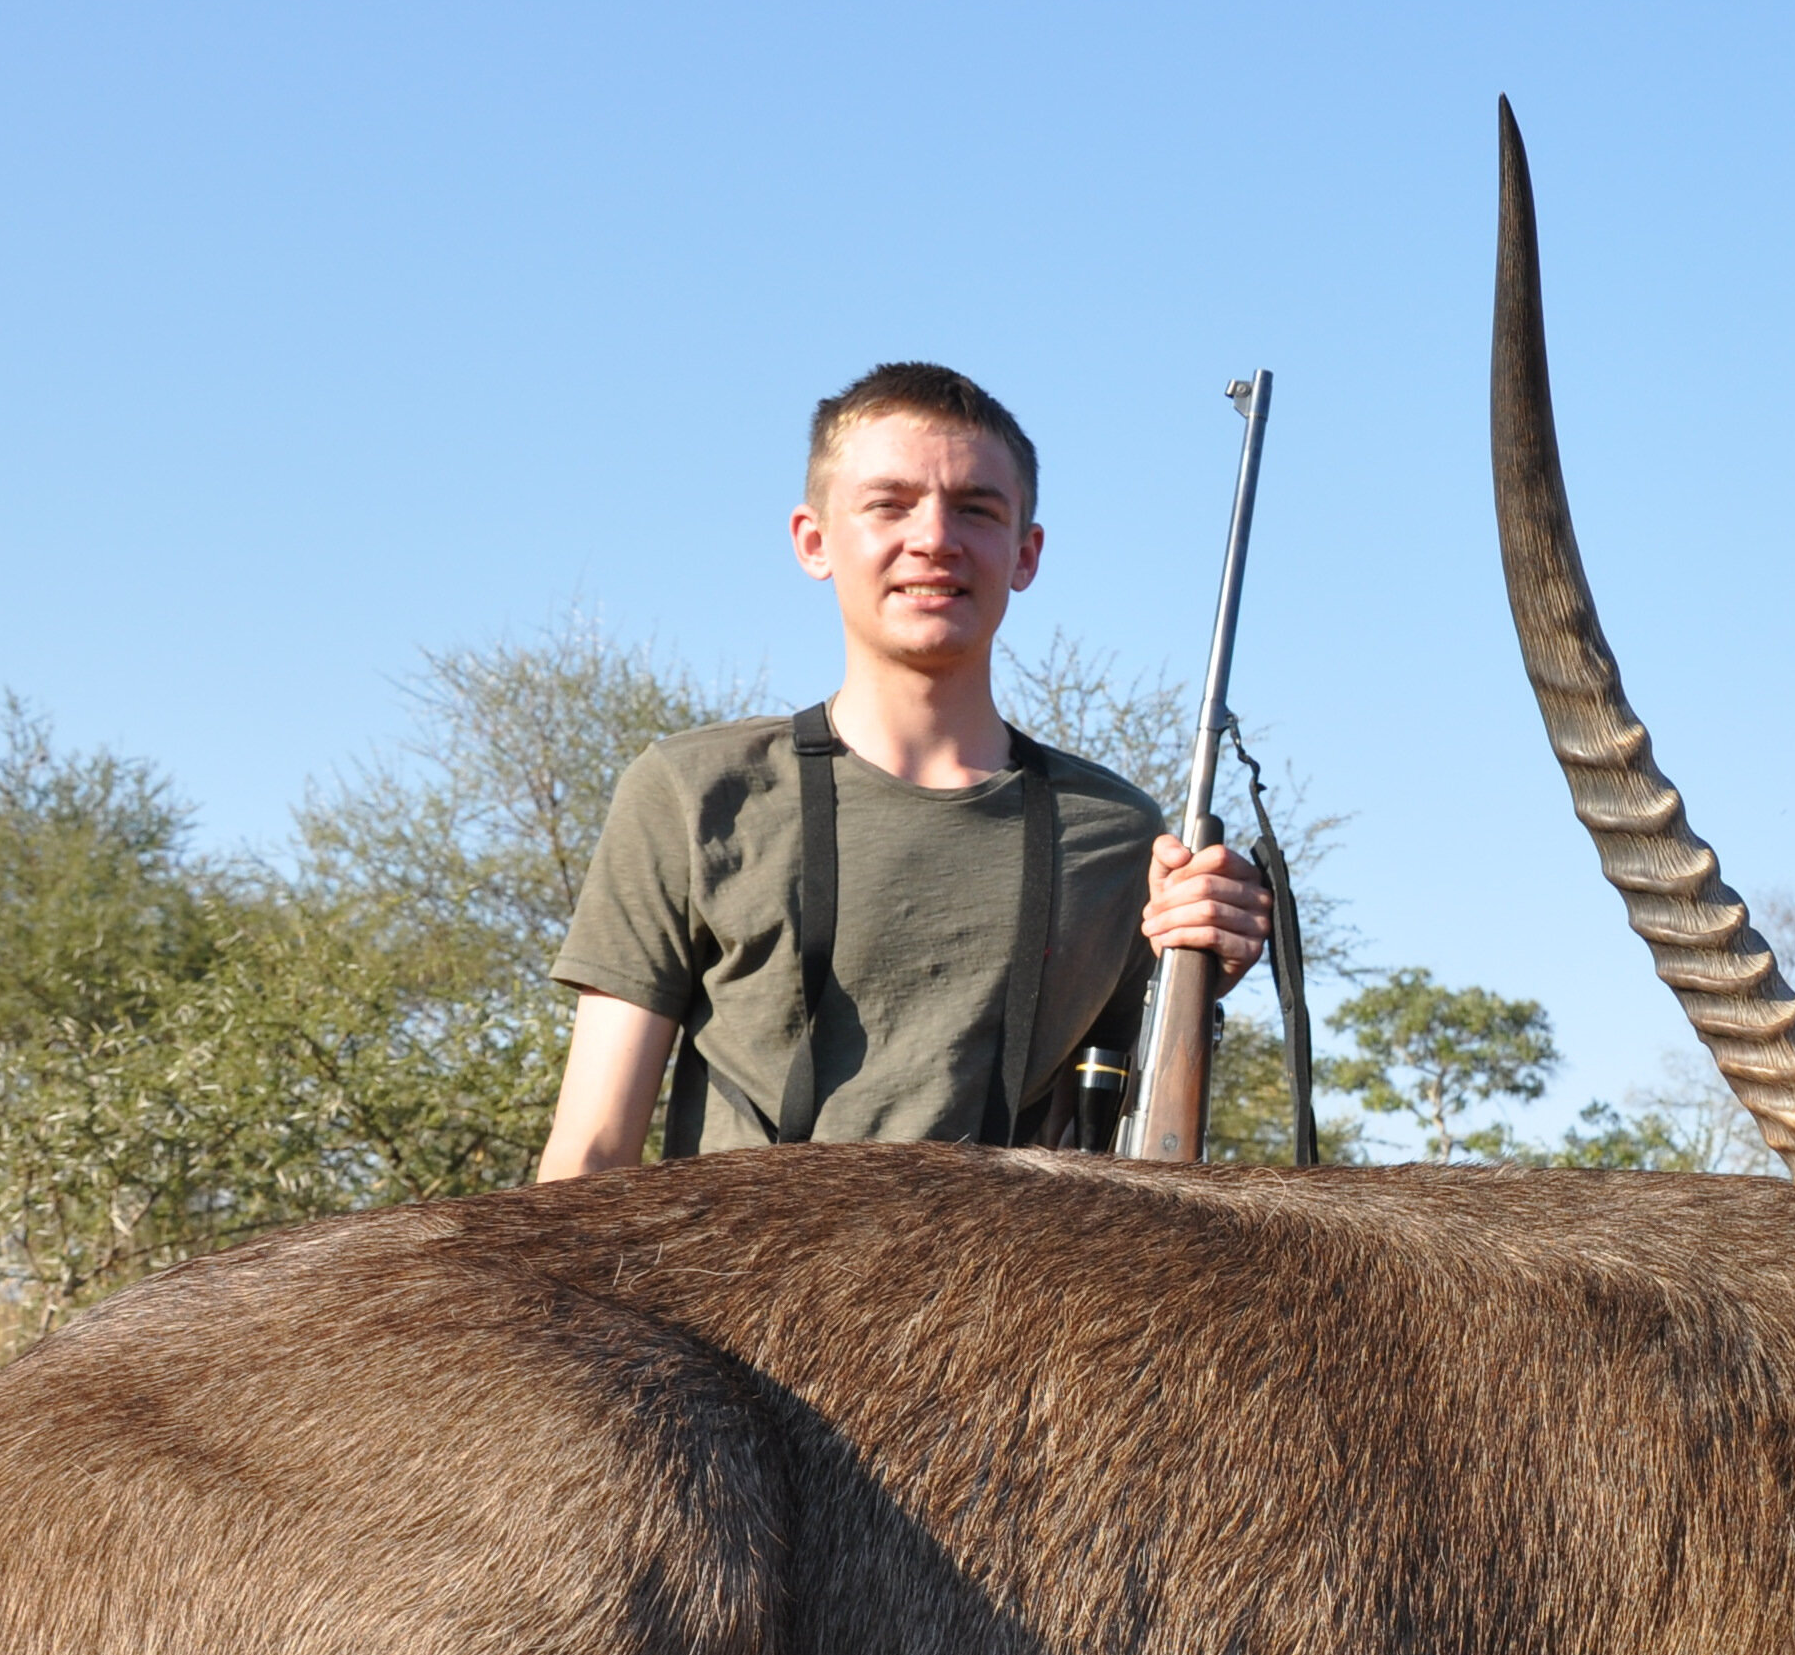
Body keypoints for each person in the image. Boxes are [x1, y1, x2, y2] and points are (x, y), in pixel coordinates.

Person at [536, 364, 1269, 1176]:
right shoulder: (693, 790)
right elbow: (592, 1150)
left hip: (1010, 1295)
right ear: (814, 541)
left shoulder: (1120, 833)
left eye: (977, 510)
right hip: (730, 1297)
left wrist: (1206, 970)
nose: (934, 539)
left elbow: (1127, 1136)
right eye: (889, 504)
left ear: (1025, 555)